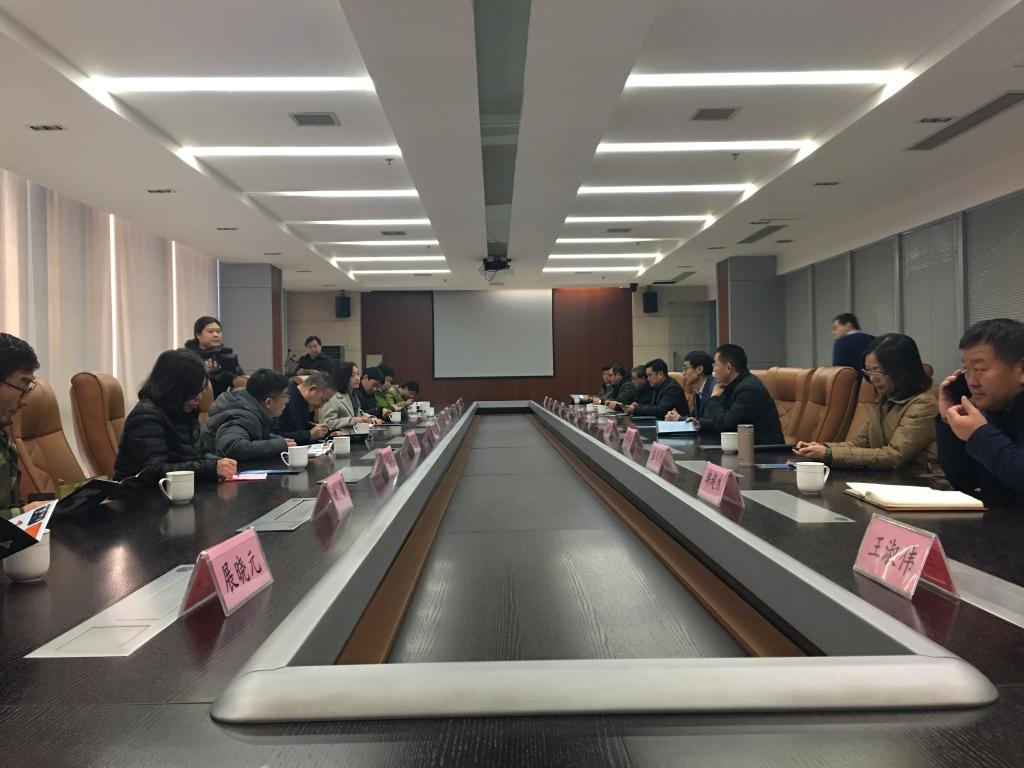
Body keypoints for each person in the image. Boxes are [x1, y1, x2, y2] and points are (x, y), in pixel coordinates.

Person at [794, 334, 941, 482]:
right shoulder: (885, 400)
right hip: (888, 479)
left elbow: (894, 456)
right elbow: (859, 443)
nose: (872, 378)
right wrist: (822, 448)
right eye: (868, 371)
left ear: (902, 369)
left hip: (919, 482)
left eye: (878, 371)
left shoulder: (924, 405)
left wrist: (829, 454)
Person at [936, 318, 1024, 506]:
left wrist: (978, 434)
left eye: (979, 369)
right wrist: (949, 422)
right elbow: (964, 480)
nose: (972, 382)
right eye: (966, 370)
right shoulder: (993, 409)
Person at [115, 350, 237, 484]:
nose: (199, 397)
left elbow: (201, 454)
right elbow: (152, 471)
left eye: (201, 390)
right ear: (175, 387)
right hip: (141, 494)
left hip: (179, 490)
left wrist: (220, 463)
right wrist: (211, 468)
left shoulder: (186, 411)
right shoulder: (146, 416)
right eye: (193, 390)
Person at [696, 344, 785, 444]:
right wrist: (701, 424)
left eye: (716, 365)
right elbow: (726, 418)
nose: (714, 370)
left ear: (728, 368)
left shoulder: (749, 389)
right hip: (745, 445)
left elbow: (726, 426)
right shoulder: (732, 385)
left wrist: (714, 398)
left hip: (764, 449)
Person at [202, 369, 295, 461]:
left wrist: (277, 440)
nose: (287, 401)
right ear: (269, 402)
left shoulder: (248, 407)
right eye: (285, 396)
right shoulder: (241, 415)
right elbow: (231, 447)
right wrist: (277, 445)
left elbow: (252, 435)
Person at [1, 334, 39, 519]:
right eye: (22, 387)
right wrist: (25, 513)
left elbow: (11, 503)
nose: (25, 401)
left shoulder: (3, 436)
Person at [184, 316, 246, 397]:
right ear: (198, 334)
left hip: (228, 400)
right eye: (210, 331)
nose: (216, 335)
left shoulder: (227, 355)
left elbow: (241, 381)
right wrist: (206, 373)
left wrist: (223, 375)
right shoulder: (188, 357)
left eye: (218, 331)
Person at [273, 371, 336, 445]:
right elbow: (274, 436)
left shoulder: (303, 402)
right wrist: (309, 435)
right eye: (322, 400)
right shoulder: (285, 399)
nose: (321, 406)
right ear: (312, 389)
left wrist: (327, 432)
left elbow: (300, 428)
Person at [321, 362, 383, 429]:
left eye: (358, 374)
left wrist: (370, 418)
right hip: (341, 434)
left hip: (354, 433)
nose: (357, 378)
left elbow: (359, 412)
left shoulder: (353, 394)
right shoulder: (333, 397)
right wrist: (353, 420)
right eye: (352, 375)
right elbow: (327, 423)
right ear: (343, 377)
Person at [667, 351, 716, 422]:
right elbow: (694, 417)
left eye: (686, 369)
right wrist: (674, 416)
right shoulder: (698, 390)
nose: (683, 373)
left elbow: (709, 421)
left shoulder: (714, 388)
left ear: (699, 369)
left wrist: (679, 419)